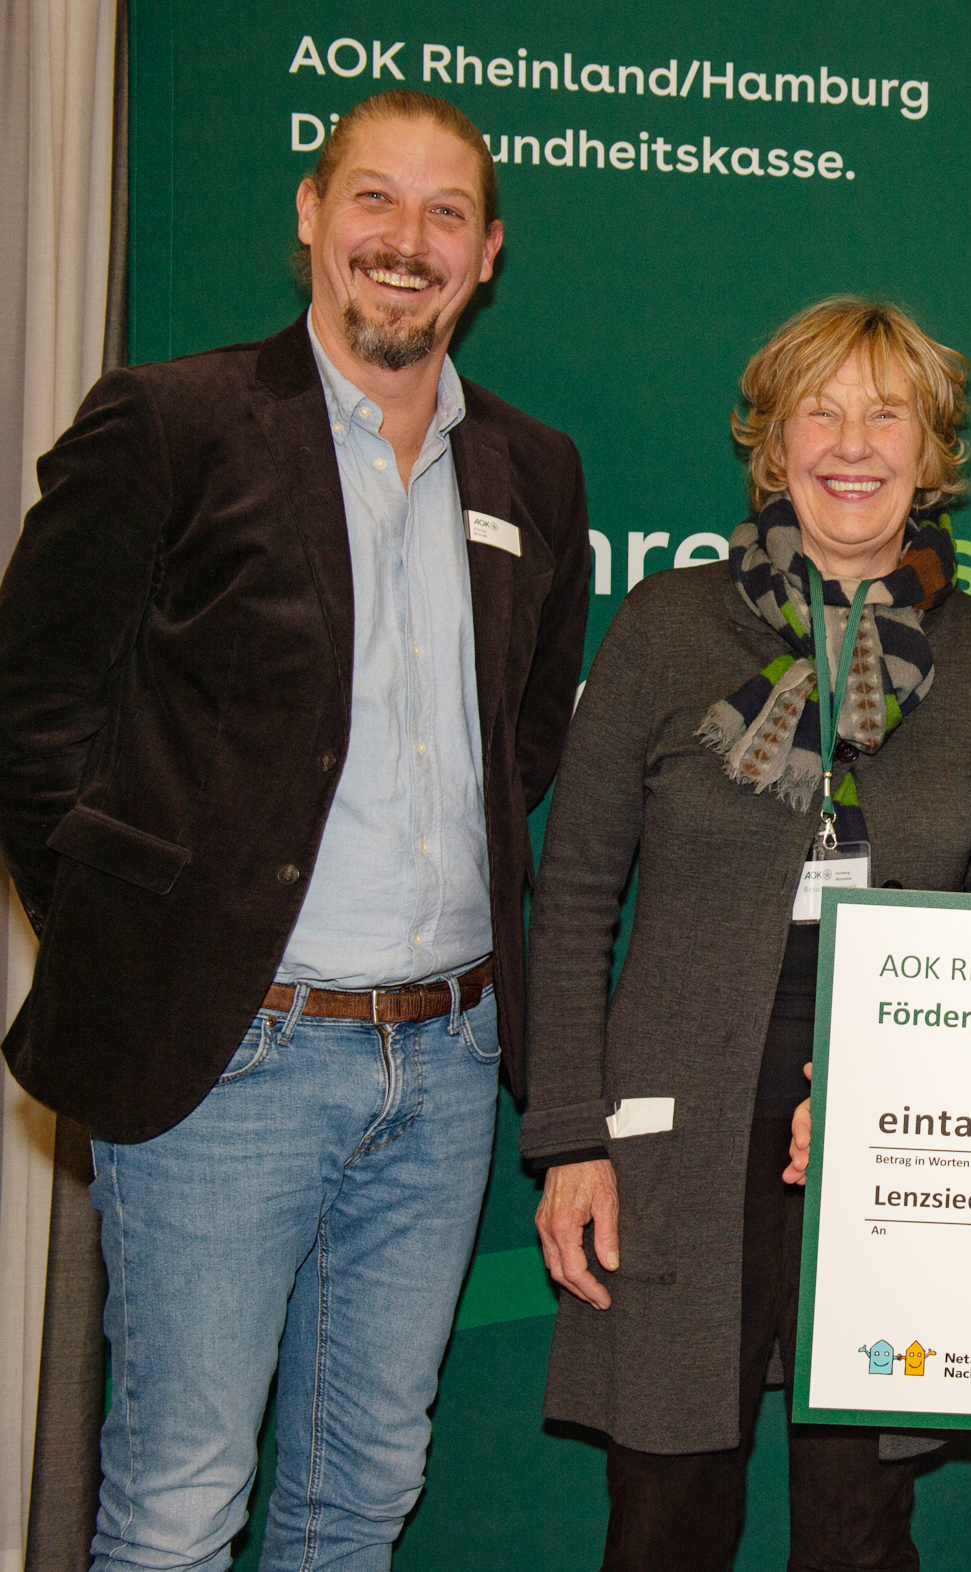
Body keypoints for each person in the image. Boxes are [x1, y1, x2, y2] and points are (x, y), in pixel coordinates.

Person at [0, 90, 591, 1570]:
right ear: (312, 214)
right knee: (180, 1500)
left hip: (445, 1063)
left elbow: (524, 738)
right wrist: (132, 945)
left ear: (487, 254)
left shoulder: (532, 469)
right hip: (229, 1058)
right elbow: (35, 711)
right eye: (373, 198)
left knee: (364, 1491)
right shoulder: (173, 422)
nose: (407, 240)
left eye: (446, 212)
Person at [523, 296, 971, 1572]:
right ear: (772, 443)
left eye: (887, 414)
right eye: (822, 410)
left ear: (931, 453)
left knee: (858, 1534)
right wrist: (570, 1138)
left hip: (886, 1146)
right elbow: (574, 895)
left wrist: (905, 1090)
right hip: (675, 1143)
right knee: (665, 1524)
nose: (852, 443)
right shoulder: (667, 626)